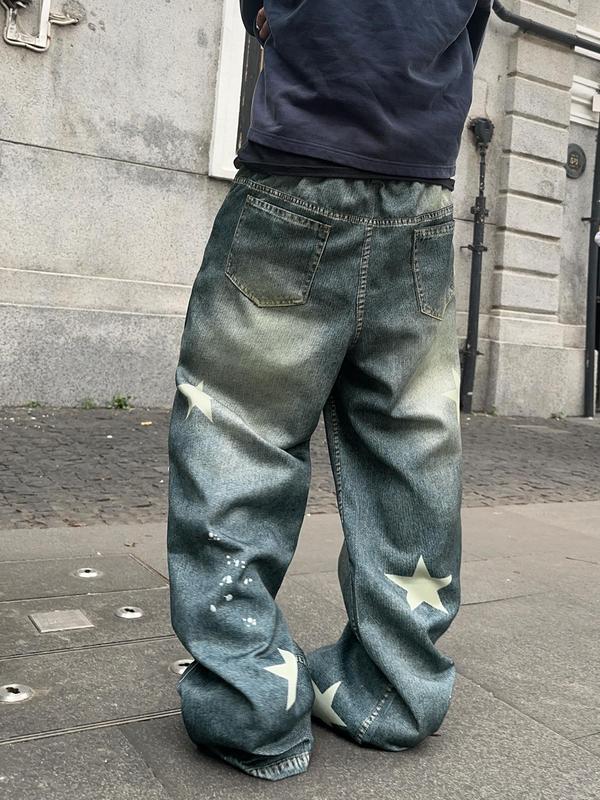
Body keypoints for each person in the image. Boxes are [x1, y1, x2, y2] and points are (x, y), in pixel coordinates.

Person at [167, 0, 492, 781]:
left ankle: (249, 697)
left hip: (295, 171)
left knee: (238, 433)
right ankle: (395, 691)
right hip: (420, 189)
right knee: (410, 444)